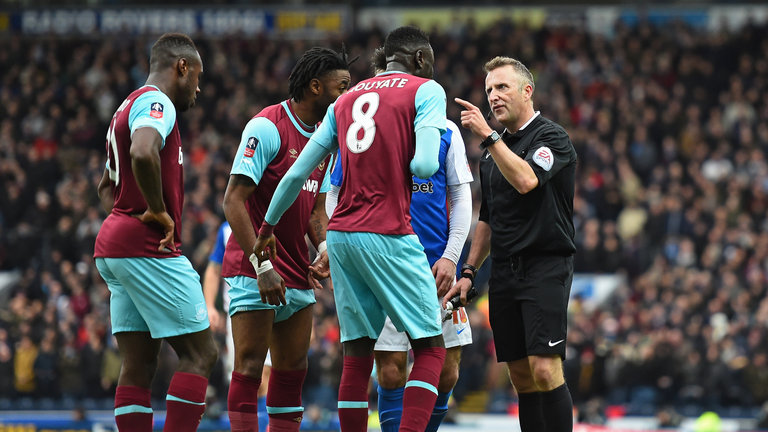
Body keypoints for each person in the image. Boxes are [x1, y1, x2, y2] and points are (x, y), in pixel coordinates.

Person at [255, 26, 448, 432]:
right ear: (417, 60)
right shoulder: (426, 90)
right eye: (427, 64)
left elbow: (294, 176)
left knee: (357, 355)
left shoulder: (344, 101)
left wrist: (267, 226)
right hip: (390, 233)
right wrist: (405, 159)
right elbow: (427, 166)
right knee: (431, 350)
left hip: (341, 236)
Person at [325, 47, 474, 432]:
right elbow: (332, 192)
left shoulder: (446, 130)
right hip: (384, 263)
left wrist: (451, 257)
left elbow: (461, 197)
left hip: (435, 267)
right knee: (390, 372)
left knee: (447, 373)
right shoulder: (368, 131)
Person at [220, 47, 351, 432]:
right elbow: (233, 201)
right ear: (315, 87)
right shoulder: (267, 126)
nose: (349, 94)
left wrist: (324, 248)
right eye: (341, 86)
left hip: (296, 270)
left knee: (293, 369)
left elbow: (314, 210)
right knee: (248, 366)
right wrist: (262, 266)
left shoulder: (327, 138)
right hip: (253, 270)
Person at [93, 33, 218, 432]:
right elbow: (143, 151)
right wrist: (157, 211)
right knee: (201, 354)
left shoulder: (124, 107)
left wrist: (125, 215)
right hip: (147, 247)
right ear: (181, 67)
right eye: (197, 77)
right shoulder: (156, 102)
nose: (198, 88)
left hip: (114, 246)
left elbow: (105, 186)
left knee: (140, 363)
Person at [446, 56, 577, 432]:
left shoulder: (551, 137)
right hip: (504, 270)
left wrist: (488, 135)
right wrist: (469, 271)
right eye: (489, 90)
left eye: (502, 87)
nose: (494, 96)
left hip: (545, 265)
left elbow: (526, 181)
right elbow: (488, 218)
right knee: (521, 376)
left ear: (527, 91)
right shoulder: (491, 155)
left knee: (545, 368)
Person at [201, 220, 270, 432]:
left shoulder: (276, 216)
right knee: (245, 377)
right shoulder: (227, 228)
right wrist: (210, 306)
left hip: (274, 305)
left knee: (268, 375)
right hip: (238, 314)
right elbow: (214, 269)